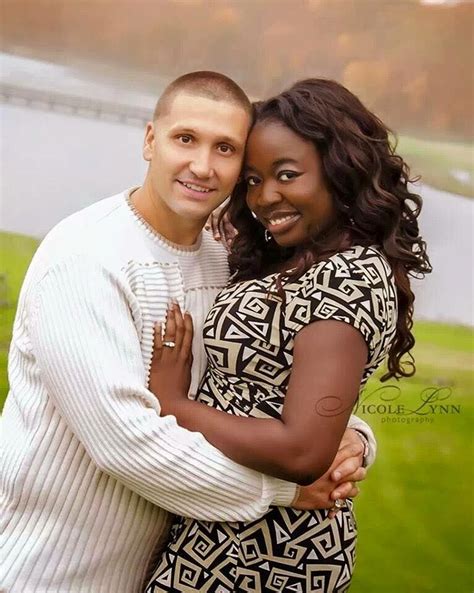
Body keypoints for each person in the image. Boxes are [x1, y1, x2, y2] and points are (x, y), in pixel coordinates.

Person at [0, 72, 375, 593]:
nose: (203, 166)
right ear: (150, 140)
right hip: (49, 572)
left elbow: (261, 379)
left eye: (225, 148)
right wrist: (283, 489)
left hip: (159, 571)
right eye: (185, 139)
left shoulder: (227, 262)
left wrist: (352, 438)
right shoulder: (86, 257)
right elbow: (126, 442)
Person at [145, 79, 431, 592]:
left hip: (267, 558)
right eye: (253, 179)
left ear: (340, 170)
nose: (264, 197)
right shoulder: (295, 256)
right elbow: (284, 392)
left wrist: (173, 404)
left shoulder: (348, 277)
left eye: (287, 175)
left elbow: (303, 451)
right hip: (223, 537)